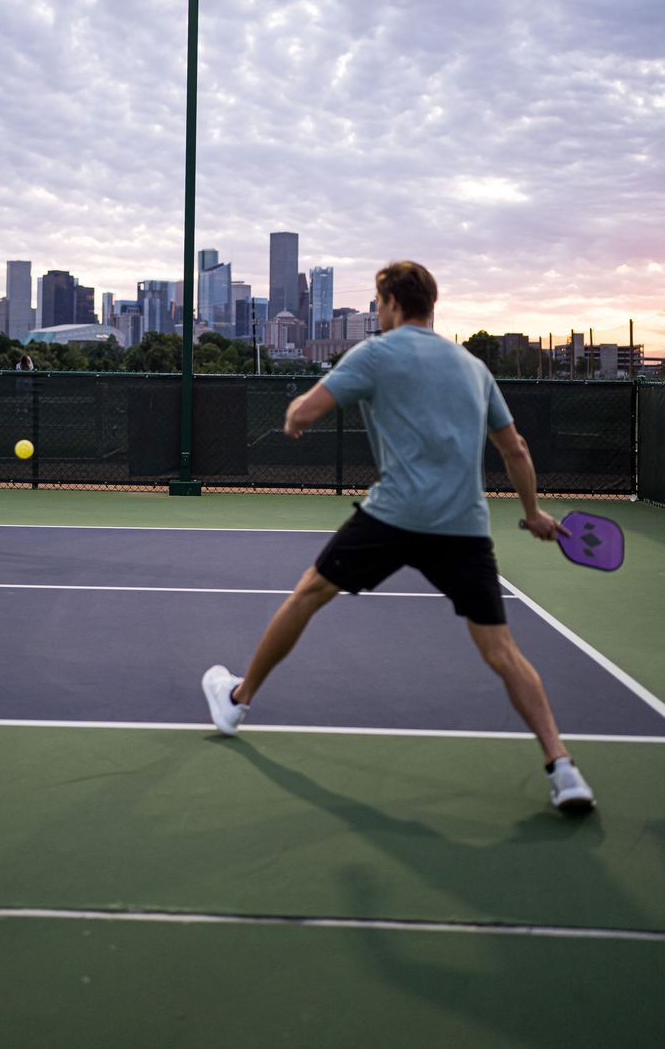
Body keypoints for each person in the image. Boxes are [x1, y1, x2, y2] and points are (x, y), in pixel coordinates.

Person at [202, 260, 596, 815]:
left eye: (378, 302)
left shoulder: (374, 354)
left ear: (389, 304)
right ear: (431, 306)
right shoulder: (472, 367)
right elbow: (516, 449)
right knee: (502, 652)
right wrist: (532, 513)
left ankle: (237, 702)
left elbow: (303, 411)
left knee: (310, 593)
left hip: (393, 516)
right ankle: (563, 769)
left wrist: (294, 418)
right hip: (463, 525)